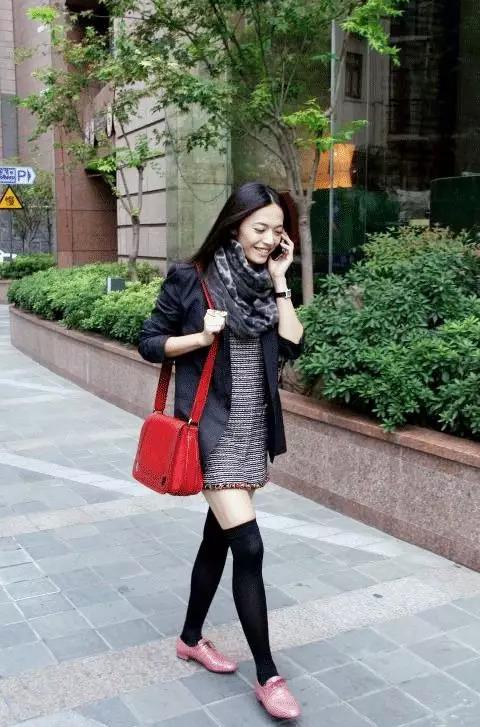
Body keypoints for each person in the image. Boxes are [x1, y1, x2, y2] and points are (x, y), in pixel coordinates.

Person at [138, 182, 304, 720]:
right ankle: (268, 675)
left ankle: (190, 638)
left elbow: (294, 342)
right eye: (259, 228)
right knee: (249, 547)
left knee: (220, 539)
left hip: (253, 431)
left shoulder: (266, 282)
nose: (268, 239)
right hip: (211, 432)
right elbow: (148, 341)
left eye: (277, 230)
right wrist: (200, 339)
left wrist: (281, 281)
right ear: (234, 225)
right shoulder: (192, 278)